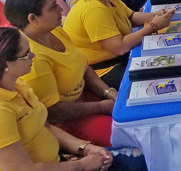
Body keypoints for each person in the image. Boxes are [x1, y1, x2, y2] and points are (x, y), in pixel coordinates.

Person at [0, 27, 148, 171]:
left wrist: (85, 148)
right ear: (6, 64)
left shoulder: (19, 86)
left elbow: (45, 127)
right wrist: (82, 166)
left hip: (59, 161)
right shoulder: (3, 112)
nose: (33, 55)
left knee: (141, 158)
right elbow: (21, 168)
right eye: (26, 54)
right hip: (55, 165)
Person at [6, 0, 115, 147]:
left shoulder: (55, 31)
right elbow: (53, 111)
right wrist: (101, 106)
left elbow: (83, 67)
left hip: (87, 98)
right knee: (124, 134)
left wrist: (108, 92)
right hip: (66, 120)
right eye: (53, 7)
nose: (60, 9)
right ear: (33, 19)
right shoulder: (32, 58)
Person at [64, 0, 174, 88]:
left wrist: (157, 15)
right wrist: (153, 26)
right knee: (160, 78)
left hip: (117, 57)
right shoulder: (93, 8)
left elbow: (131, 16)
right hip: (102, 69)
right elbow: (120, 47)